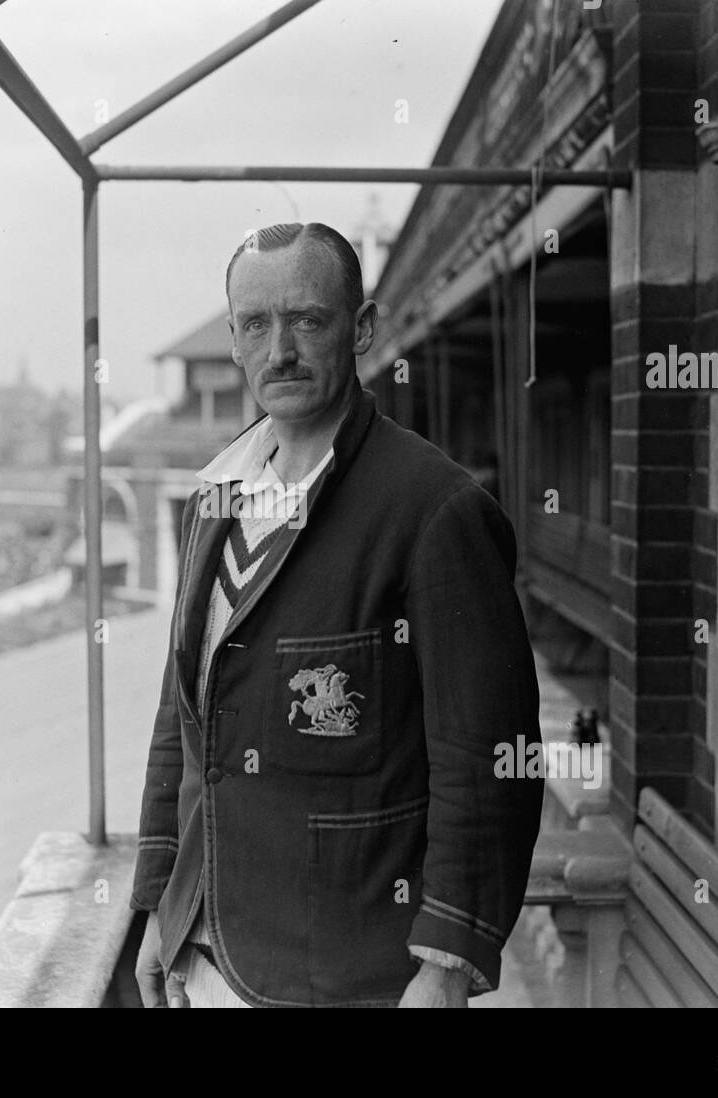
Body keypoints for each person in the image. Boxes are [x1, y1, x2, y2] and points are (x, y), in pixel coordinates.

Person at [131, 221, 542, 1007]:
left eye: (307, 319)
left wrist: (448, 960)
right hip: (209, 959)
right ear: (234, 339)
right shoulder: (214, 498)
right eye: (256, 324)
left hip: (354, 974)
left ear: (361, 330)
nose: (279, 348)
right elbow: (179, 723)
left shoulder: (435, 508)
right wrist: (160, 901)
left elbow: (488, 756)